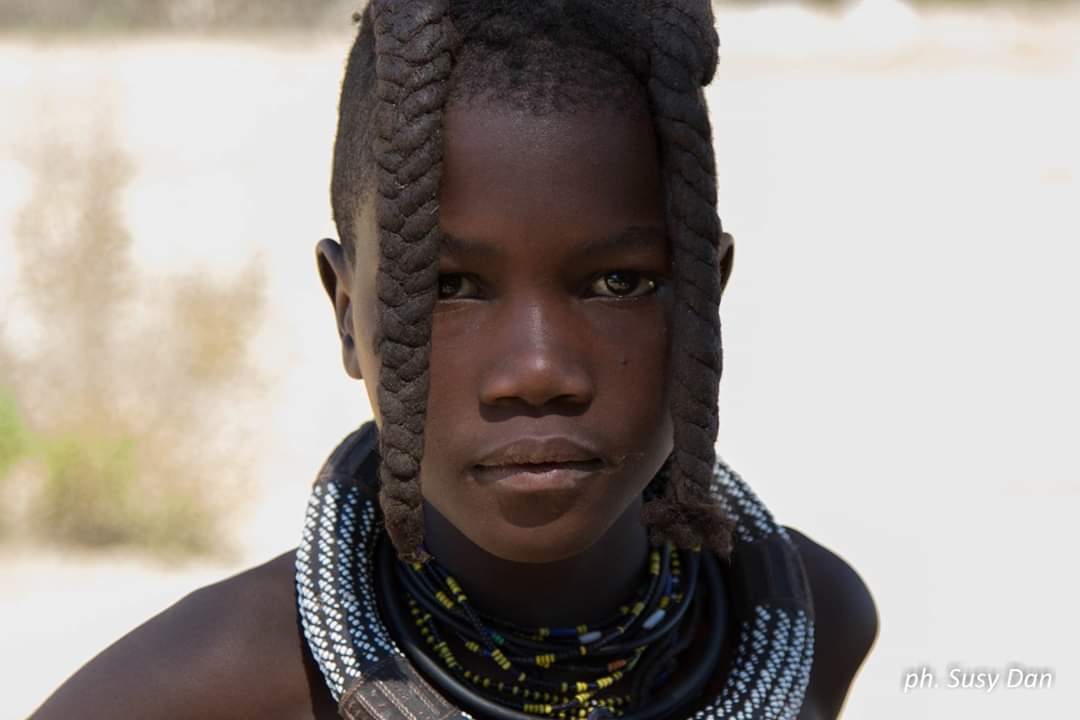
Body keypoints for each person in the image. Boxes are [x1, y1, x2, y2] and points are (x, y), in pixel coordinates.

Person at [32, 1, 878, 718]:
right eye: (450, 286)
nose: (539, 371)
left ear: (706, 297)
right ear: (347, 315)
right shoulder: (185, 695)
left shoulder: (815, 625)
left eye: (620, 281)